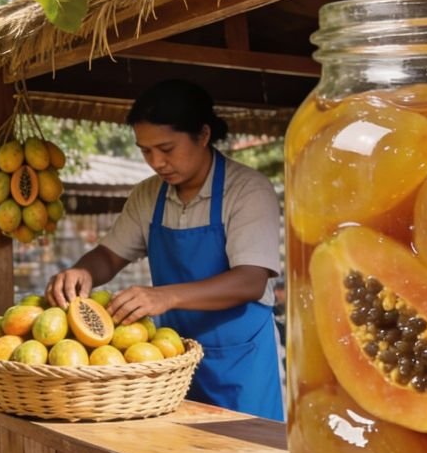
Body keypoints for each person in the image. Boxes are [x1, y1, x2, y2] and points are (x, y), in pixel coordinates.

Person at [45, 79, 285, 421]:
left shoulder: (248, 190)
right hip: (170, 360)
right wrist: (83, 271)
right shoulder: (147, 195)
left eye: (167, 149)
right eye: (145, 151)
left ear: (202, 136)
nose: (156, 162)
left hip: (240, 362)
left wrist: (164, 297)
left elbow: (250, 280)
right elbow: (110, 256)